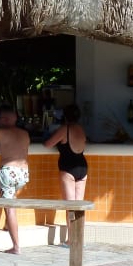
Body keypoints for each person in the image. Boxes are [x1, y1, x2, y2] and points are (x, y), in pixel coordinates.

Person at [0, 105, 30, 254]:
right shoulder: (24, 133)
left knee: (10, 209)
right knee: (11, 201)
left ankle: (16, 246)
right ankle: (8, 226)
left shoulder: (0, 132)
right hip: (23, 173)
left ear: (5, 119)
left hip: (8, 171)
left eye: (0, 117)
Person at [44, 104, 88, 244]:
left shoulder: (65, 129)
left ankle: (71, 239)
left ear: (64, 115)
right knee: (79, 206)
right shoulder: (81, 129)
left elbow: (48, 144)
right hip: (82, 166)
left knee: (70, 206)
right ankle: (79, 237)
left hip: (68, 168)